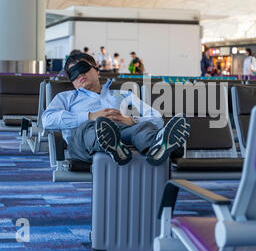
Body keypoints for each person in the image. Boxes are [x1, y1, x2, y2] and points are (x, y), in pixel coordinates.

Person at [42, 52, 190, 166]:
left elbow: (156, 118)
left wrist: (130, 120)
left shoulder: (124, 95)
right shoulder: (66, 97)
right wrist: (89, 116)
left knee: (142, 127)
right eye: (73, 74)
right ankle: (110, 143)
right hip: (83, 138)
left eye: (83, 68)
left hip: (121, 133)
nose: (79, 74)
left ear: (97, 71)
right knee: (92, 127)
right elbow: (47, 120)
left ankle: (157, 146)